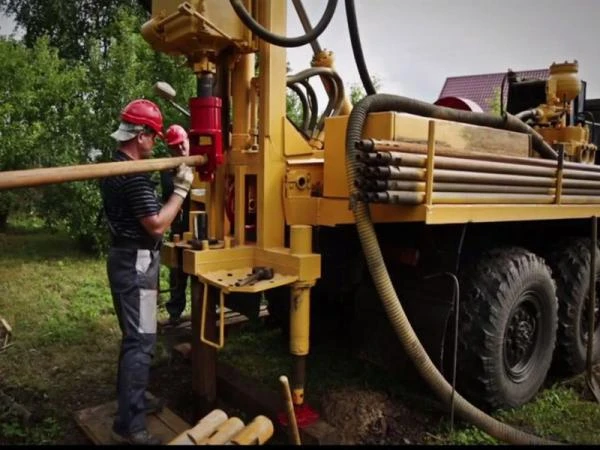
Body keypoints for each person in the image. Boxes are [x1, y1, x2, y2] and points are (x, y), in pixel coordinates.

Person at [100, 99, 194, 445]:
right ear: (139, 135)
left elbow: (149, 199)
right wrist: (182, 189)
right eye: (152, 136)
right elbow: (156, 223)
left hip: (126, 258)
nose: (153, 142)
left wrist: (176, 159)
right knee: (141, 341)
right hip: (137, 262)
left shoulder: (115, 165)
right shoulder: (134, 176)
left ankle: (131, 404)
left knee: (134, 338)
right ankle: (131, 427)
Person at [160, 124, 192, 324]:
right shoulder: (167, 171)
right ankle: (174, 313)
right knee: (177, 272)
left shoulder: (201, 163)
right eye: (175, 147)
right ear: (169, 149)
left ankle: (209, 310)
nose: (181, 149)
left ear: (188, 140)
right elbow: (169, 197)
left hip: (204, 226)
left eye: (183, 144)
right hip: (180, 227)